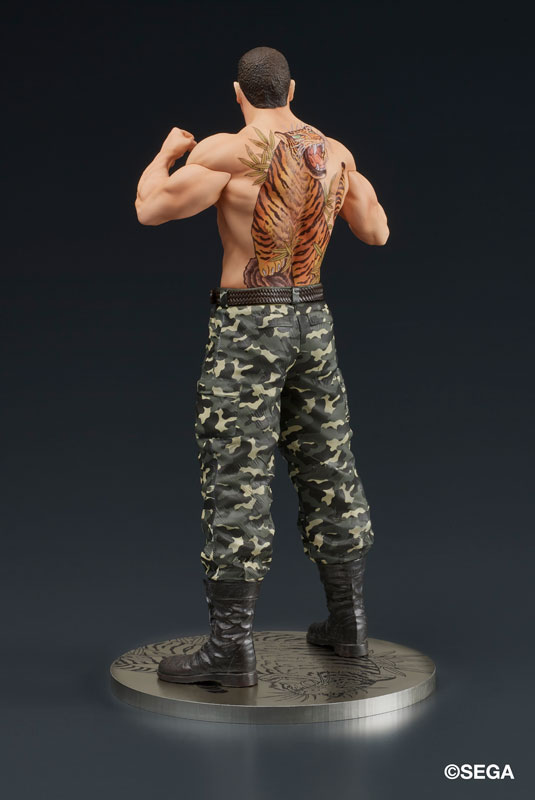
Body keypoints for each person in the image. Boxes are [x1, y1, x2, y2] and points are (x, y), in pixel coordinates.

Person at [134, 46, 389, 688]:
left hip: (250, 324)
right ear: (292, 89)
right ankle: (349, 624)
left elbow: (150, 208)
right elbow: (376, 231)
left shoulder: (226, 151)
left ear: (239, 93)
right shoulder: (335, 152)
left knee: (237, 473)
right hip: (314, 321)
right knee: (329, 463)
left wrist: (166, 152)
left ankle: (230, 647)